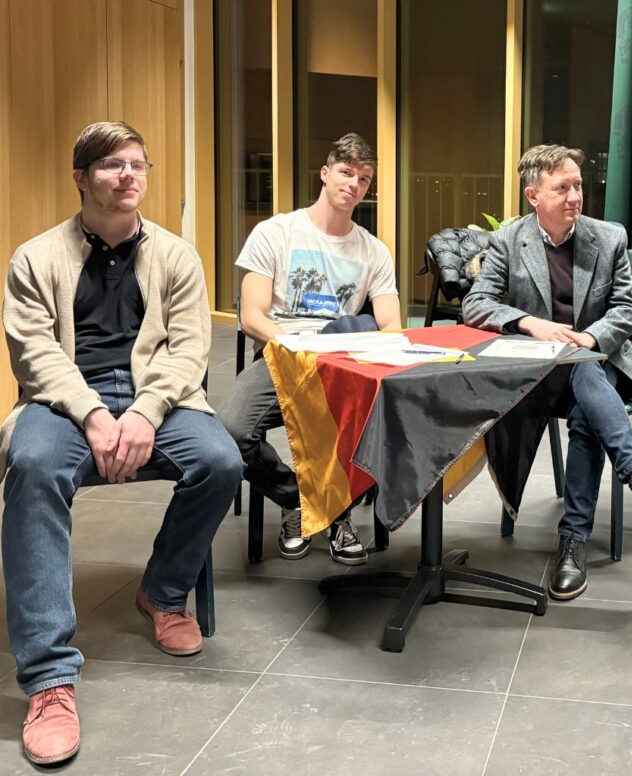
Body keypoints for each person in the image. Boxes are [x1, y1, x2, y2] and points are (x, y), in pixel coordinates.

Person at [0, 121, 244, 766]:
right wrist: (90, 413)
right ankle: (49, 679)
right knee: (32, 466)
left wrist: (144, 410)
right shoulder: (35, 258)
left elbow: (189, 350)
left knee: (220, 460)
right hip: (63, 400)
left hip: (154, 396)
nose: (129, 174)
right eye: (112, 165)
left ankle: (162, 592)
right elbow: (34, 353)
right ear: (80, 178)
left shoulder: (176, 256)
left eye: (138, 163)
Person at [462, 143, 632, 601]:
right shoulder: (508, 241)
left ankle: (573, 539)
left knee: (586, 393)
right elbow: (475, 304)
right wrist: (530, 323)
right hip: (537, 373)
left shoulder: (608, 237)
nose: (575, 196)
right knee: (585, 395)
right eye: (562, 188)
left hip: (599, 363)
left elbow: (626, 308)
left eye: (578, 185)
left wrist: (590, 339)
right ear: (533, 196)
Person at [218, 133, 402, 565]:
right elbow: (252, 317)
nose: (353, 184)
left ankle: (336, 512)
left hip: (342, 359)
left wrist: (365, 351)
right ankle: (301, 501)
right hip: (284, 354)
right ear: (324, 173)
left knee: (370, 420)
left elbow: (392, 324)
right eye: (345, 172)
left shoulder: (374, 251)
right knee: (231, 431)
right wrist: (299, 347)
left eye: (363, 178)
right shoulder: (276, 232)